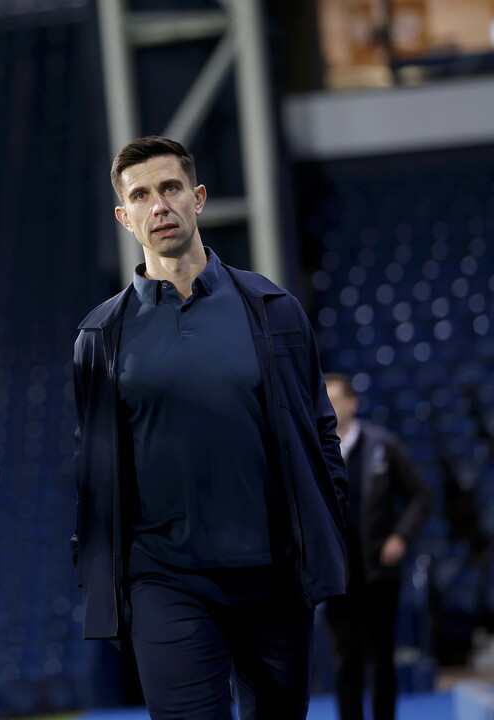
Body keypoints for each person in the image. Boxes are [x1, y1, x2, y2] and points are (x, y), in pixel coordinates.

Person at [71, 136, 348, 720]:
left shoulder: (274, 310)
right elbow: (93, 468)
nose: (159, 206)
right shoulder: (100, 337)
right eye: (141, 195)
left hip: (274, 577)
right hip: (165, 581)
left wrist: (325, 525)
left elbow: (321, 433)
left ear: (198, 198)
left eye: (170, 188)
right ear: (125, 217)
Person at [323, 373, 432, 720]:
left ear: (352, 404)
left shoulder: (383, 445)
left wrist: (400, 536)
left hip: (380, 575)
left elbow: (419, 496)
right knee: (346, 660)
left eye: (336, 399)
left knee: (382, 659)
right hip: (337, 576)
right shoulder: (315, 451)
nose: (330, 406)